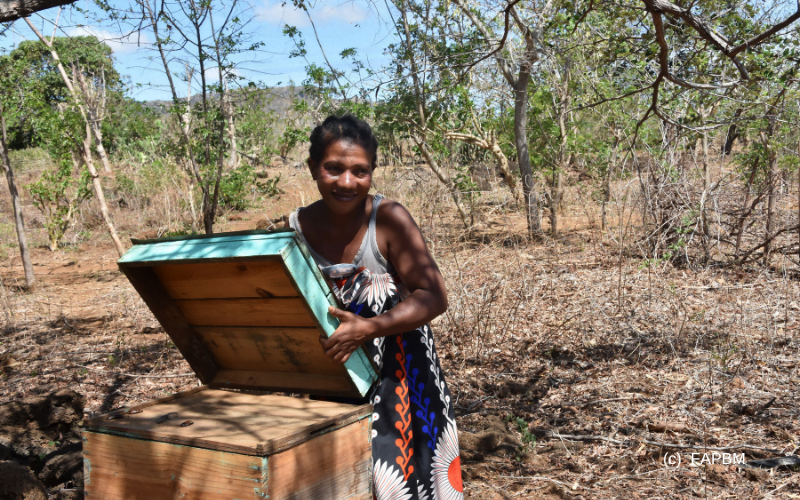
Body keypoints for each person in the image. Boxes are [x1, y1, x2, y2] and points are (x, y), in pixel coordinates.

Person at [288, 115, 463, 500]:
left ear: (372, 172)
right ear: (313, 168)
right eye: (333, 168)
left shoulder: (389, 219)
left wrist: (369, 327)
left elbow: (434, 295)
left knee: (403, 479)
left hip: (400, 380)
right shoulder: (293, 229)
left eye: (359, 171)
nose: (346, 182)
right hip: (328, 382)